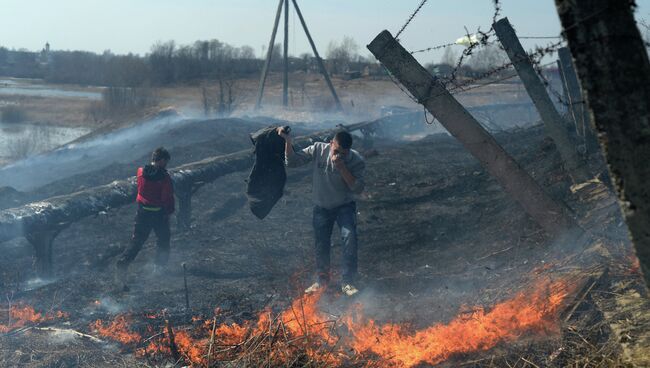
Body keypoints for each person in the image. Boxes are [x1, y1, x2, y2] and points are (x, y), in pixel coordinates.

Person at [279, 128, 365, 296]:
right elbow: (292, 162)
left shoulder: (356, 160)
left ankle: (348, 282)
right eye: (336, 151)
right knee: (321, 244)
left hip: (344, 206)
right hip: (322, 207)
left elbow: (358, 188)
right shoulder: (318, 149)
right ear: (331, 143)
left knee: (349, 238)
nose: (339, 155)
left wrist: (342, 168)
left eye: (344, 153)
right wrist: (288, 142)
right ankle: (322, 281)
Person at [115, 147, 175, 291]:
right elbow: (166, 197)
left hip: (142, 213)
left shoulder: (140, 172)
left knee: (137, 240)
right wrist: (170, 211)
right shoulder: (164, 178)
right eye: (165, 162)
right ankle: (159, 267)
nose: (166, 164)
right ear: (161, 161)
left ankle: (124, 261)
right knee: (163, 239)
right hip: (159, 214)